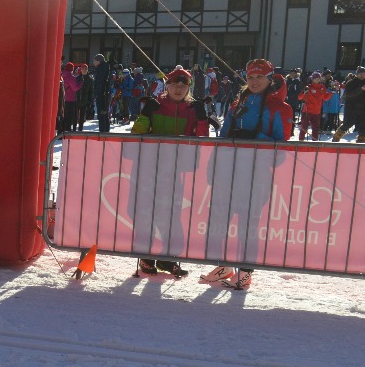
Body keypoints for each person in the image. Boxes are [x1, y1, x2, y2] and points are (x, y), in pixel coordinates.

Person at [200, 58, 292, 290]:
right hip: (229, 171)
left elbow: (282, 148)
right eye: (251, 77)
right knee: (220, 220)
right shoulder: (239, 101)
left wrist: (256, 140)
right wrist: (214, 164)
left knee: (248, 225)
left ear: (270, 79)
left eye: (259, 77)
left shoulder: (279, 107)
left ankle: (246, 272)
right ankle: (224, 265)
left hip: (257, 174)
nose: (254, 81)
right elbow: (223, 136)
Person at [128, 67, 212, 278]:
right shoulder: (157, 105)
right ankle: (145, 257)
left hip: (176, 170)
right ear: (167, 85)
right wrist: (146, 113)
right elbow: (137, 134)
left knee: (172, 215)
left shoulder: (192, 108)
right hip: (150, 167)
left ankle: (168, 258)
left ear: (188, 88)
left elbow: (202, 138)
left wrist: (202, 117)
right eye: (174, 84)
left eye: (183, 85)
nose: (178, 88)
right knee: (147, 212)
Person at [332, 66, 365, 142]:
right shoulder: (351, 83)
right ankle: (336, 138)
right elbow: (349, 94)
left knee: (363, 126)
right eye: (360, 74)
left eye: (364, 74)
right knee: (347, 124)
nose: (362, 75)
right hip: (351, 108)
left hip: (363, 108)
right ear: (357, 74)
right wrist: (360, 89)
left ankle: (361, 142)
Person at [298, 72, 331, 141]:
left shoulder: (322, 87)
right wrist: (304, 93)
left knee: (316, 128)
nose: (316, 80)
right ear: (312, 79)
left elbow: (325, 97)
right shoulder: (309, 87)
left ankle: (315, 142)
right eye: (315, 78)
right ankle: (300, 141)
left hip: (317, 111)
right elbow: (300, 97)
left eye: (318, 78)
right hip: (307, 111)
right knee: (304, 127)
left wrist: (331, 93)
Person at [93, 53, 112, 133]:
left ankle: (102, 132)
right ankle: (106, 131)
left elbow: (99, 83)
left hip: (102, 94)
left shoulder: (101, 69)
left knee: (101, 115)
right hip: (106, 93)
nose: (93, 63)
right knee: (105, 114)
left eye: (94, 61)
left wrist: (96, 93)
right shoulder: (106, 68)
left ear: (99, 61)